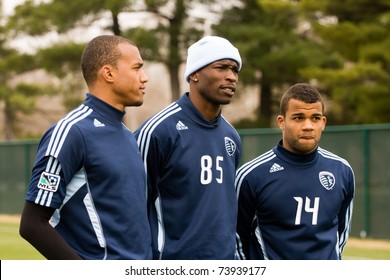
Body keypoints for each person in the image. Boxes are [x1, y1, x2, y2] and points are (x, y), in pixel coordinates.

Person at [19, 35, 152, 260]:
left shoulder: (128, 136)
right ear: (108, 73)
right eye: (137, 68)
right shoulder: (72, 132)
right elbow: (33, 224)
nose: (144, 78)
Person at [135, 36, 242, 259]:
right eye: (221, 67)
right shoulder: (158, 131)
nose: (231, 77)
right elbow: (133, 209)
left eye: (234, 70)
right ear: (194, 73)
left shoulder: (231, 136)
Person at [235, 83, 355, 260]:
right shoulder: (250, 176)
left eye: (315, 118)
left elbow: (341, 234)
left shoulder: (342, 171)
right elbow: (236, 241)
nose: (308, 126)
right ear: (281, 122)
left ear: (323, 123)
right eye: (299, 118)